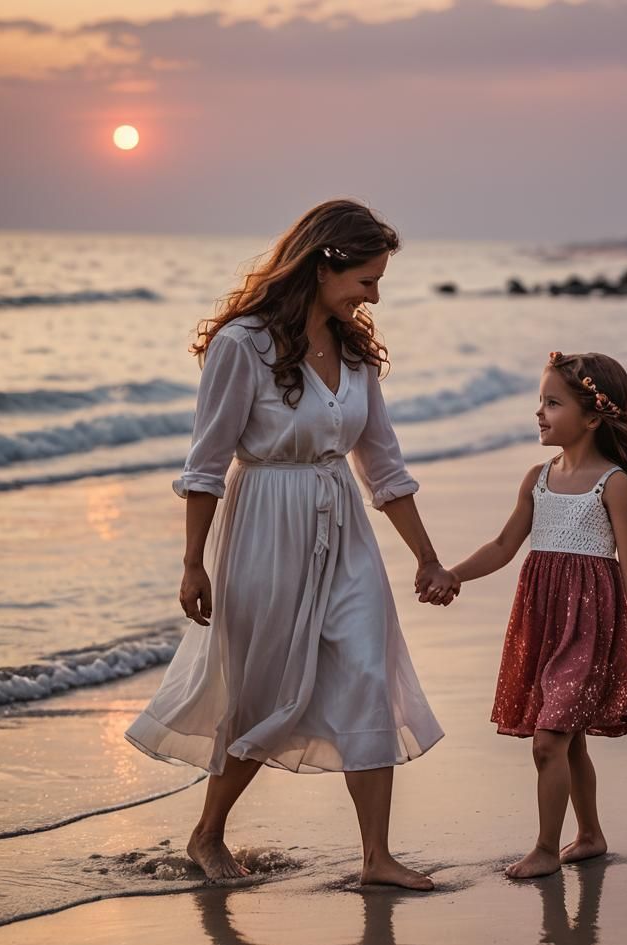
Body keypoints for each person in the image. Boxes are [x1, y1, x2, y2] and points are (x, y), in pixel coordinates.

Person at [125, 200, 458, 889]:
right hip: (265, 528)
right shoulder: (241, 345)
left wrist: (426, 557)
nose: (373, 297)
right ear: (323, 264)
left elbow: (384, 466)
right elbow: (205, 464)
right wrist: (193, 563)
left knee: (368, 672)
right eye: (366, 281)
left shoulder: (355, 352)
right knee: (263, 690)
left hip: (345, 530)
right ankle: (207, 833)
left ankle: (377, 857)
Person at [447, 350, 627, 879]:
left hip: (590, 629)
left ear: (592, 417)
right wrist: (453, 575)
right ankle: (590, 835)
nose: (539, 413)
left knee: (550, 740)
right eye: (540, 402)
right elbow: (503, 546)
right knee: (569, 740)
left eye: (552, 403)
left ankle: (546, 849)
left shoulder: (611, 482)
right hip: (542, 625)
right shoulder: (537, 478)